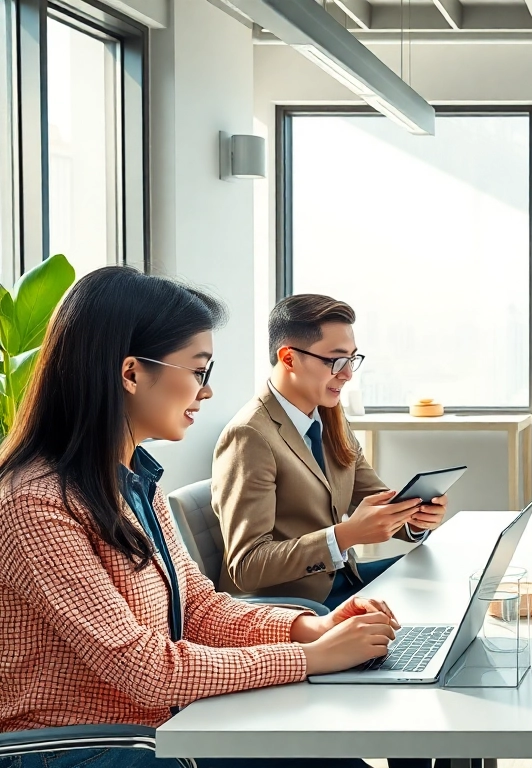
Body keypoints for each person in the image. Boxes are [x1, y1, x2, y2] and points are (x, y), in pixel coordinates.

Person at [0, 268, 394, 768]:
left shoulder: (135, 480)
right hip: (93, 750)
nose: (206, 393)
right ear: (131, 373)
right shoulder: (34, 504)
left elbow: (200, 610)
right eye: (198, 370)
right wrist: (312, 658)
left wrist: (306, 629)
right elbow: (141, 667)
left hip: (167, 728)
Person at [213, 295, 447, 611]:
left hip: (345, 579)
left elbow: (377, 496)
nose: (348, 373)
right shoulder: (249, 436)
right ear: (289, 358)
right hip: (301, 604)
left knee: (442, 579)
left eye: (352, 359)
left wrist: (415, 518)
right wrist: (343, 536)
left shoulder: (329, 415)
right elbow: (247, 567)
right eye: (336, 360)